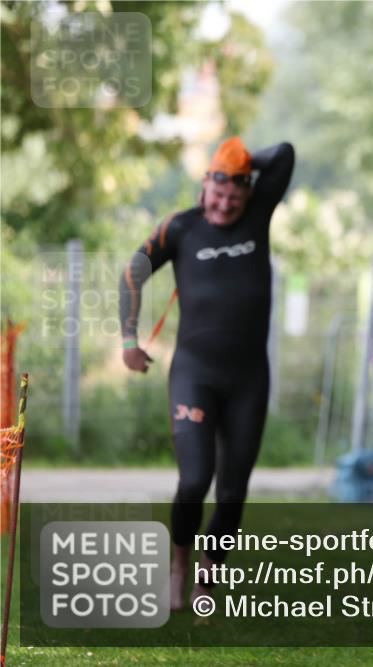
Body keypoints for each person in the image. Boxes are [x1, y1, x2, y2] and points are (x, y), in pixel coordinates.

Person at [118, 136, 295, 611]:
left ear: (247, 194)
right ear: (204, 186)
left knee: (232, 493)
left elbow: (284, 154)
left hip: (248, 380)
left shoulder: (257, 214)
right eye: (218, 194)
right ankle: (179, 565)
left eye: (234, 197)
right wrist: (129, 340)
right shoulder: (182, 228)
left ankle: (205, 582)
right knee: (195, 480)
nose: (224, 205)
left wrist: (241, 160)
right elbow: (133, 271)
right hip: (195, 375)